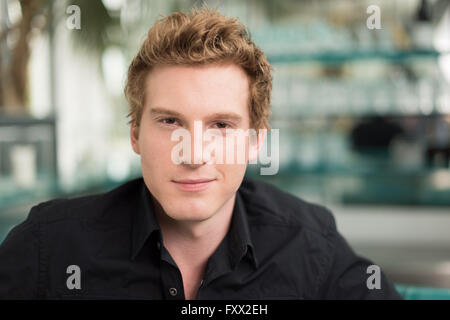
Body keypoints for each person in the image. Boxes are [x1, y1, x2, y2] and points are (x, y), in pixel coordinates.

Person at [0, 8, 402, 300]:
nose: (193, 153)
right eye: (170, 121)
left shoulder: (310, 245)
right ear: (136, 134)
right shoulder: (49, 247)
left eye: (221, 126)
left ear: (255, 141)